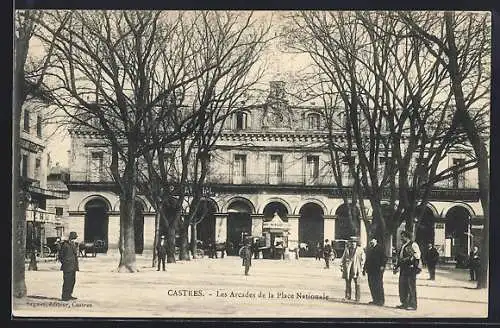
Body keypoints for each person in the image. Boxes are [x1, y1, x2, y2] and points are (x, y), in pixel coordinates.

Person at [393, 230, 421, 311]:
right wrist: (397, 266)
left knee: (410, 287)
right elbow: (400, 257)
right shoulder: (403, 245)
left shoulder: (413, 244)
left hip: (410, 269)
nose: (401, 238)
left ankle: (412, 305)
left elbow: (417, 255)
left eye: (402, 236)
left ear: (406, 236)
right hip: (403, 269)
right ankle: (404, 303)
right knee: (402, 286)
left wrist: (408, 259)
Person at [340, 236, 366, 302]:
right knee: (348, 283)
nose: (352, 244)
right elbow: (343, 258)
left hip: (357, 269)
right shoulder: (347, 249)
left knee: (357, 283)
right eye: (351, 242)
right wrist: (342, 266)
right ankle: (348, 296)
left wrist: (362, 268)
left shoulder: (360, 250)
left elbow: (363, 259)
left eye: (354, 242)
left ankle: (357, 298)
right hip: (348, 269)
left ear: (356, 243)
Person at [363, 238, 386, 306]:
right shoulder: (370, 249)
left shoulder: (380, 248)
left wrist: (382, 265)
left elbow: (384, 258)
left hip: (377, 270)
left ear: (376, 241)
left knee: (378, 285)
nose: (371, 242)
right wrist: (364, 269)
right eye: (370, 241)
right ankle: (375, 300)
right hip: (370, 271)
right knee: (372, 285)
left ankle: (381, 301)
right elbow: (367, 260)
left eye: (372, 241)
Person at [59, 231, 79, 301]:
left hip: (73, 266)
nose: (74, 239)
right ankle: (65, 296)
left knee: (72, 281)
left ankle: (69, 294)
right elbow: (61, 256)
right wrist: (65, 263)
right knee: (67, 281)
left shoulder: (74, 244)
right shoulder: (65, 245)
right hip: (67, 266)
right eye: (74, 237)